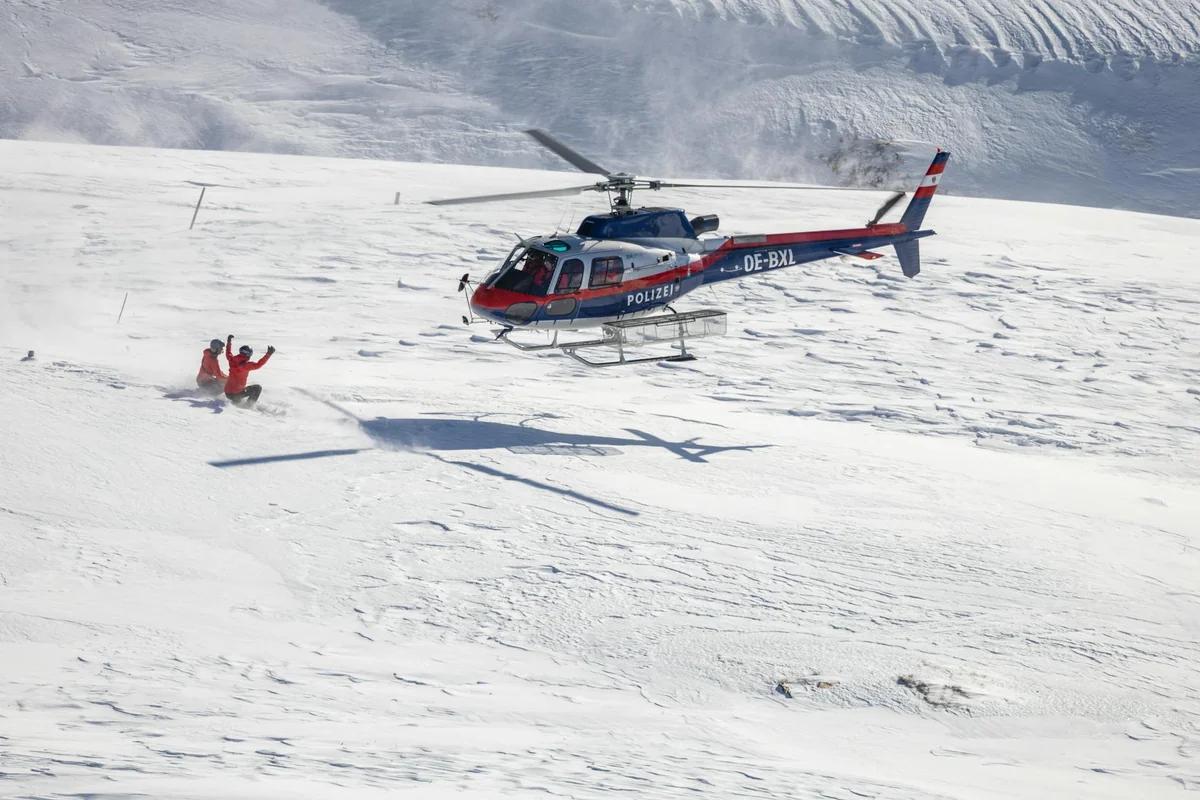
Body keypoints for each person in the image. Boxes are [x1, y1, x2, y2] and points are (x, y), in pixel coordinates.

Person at [224, 334, 275, 408]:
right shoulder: (246, 365)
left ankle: (236, 402)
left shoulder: (232, 360)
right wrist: (268, 354)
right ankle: (248, 406)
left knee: (238, 396)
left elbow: (228, 353)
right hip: (236, 394)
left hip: (227, 393)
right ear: (248, 354)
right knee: (257, 388)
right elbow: (258, 365)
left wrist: (229, 342)